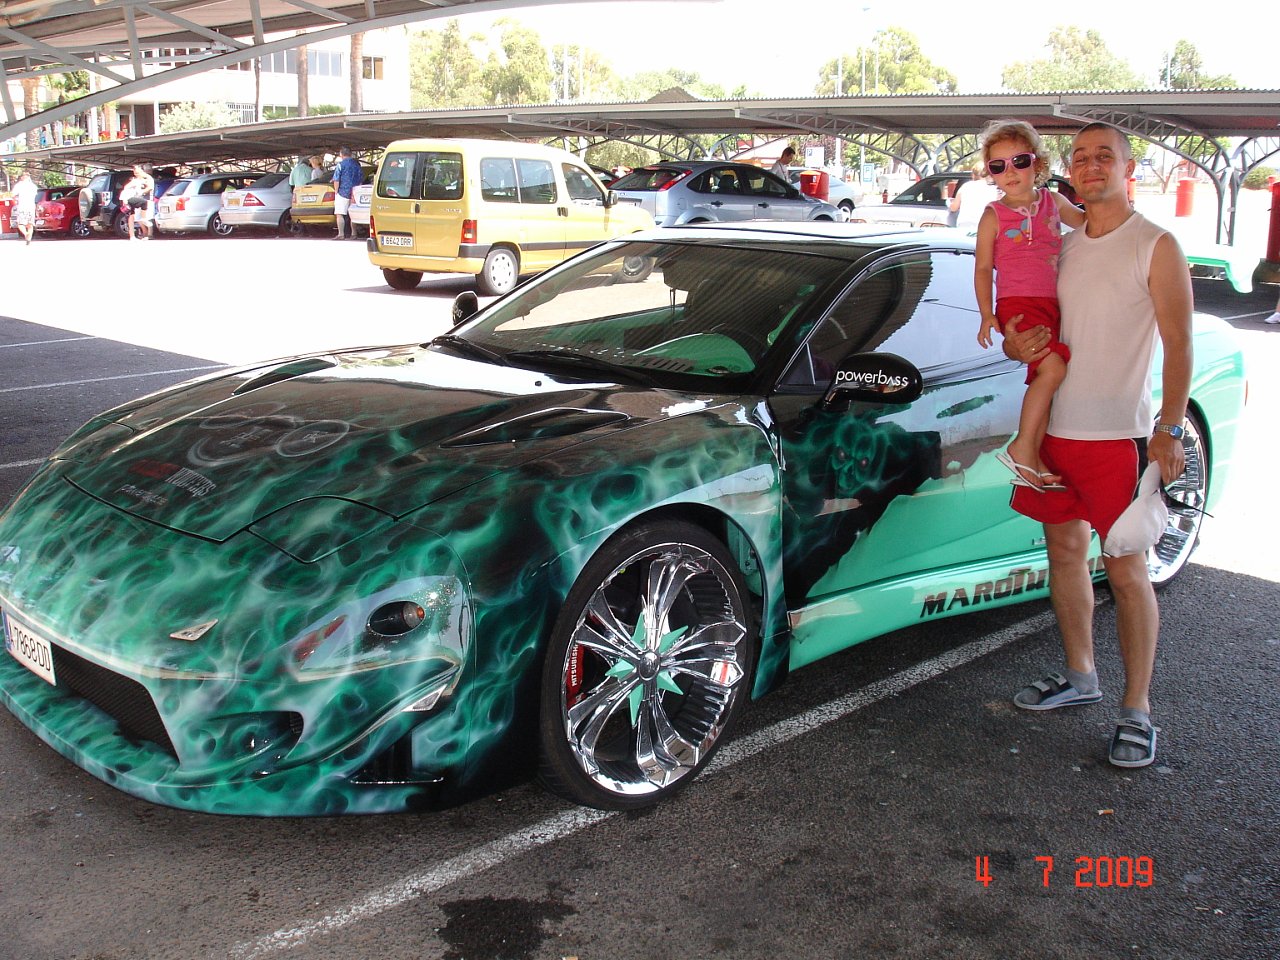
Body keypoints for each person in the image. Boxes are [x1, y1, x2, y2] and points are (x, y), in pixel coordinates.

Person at [1002, 121, 1193, 770]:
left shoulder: (1155, 244)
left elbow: (1179, 343)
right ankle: (1081, 675)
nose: (1090, 166)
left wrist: (1169, 428)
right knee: (1064, 553)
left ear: (1128, 168)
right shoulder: (1063, 245)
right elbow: (1035, 323)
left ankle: (1137, 710)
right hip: (1055, 434)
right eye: (1080, 157)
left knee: (1127, 570)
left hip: (1118, 440)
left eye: (1103, 156)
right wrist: (1016, 342)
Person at [975, 120, 1086, 489]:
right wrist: (987, 314)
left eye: (1019, 162)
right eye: (998, 166)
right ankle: (1022, 445)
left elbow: (1088, 223)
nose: (1010, 172)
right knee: (1053, 370)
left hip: (1050, 304)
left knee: (1045, 377)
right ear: (990, 172)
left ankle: (1033, 454)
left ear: (1037, 163)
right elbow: (982, 268)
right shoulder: (993, 215)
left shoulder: (1054, 202)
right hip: (1017, 305)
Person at [950, 160, 1000, 232]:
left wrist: (949, 203)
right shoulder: (995, 189)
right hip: (986, 226)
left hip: (964, 225)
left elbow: (953, 208)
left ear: (973, 174)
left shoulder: (966, 186)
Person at [331, 147, 362, 240]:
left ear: (341, 154)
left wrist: (336, 191)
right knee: (352, 214)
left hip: (342, 192)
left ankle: (341, 234)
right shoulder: (357, 165)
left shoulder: (340, 165)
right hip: (354, 192)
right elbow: (361, 178)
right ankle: (354, 233)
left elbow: (336, 179)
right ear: (351, 154)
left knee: (339, 214)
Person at [121, 163, 154, 240]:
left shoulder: (148, 178)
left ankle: (149, 235)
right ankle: (144, 233)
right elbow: (126, 187)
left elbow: (150, 187)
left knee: (147, 217)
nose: (136, 174)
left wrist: (141, 192)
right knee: (138, 218)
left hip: (147, 199)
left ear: (142, 171)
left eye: (137, 172)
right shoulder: (136, 180)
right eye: (135, 172)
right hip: (137, 200)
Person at [11, 171, 37, 245]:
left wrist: (16, 199)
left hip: (22, 207)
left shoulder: (19, 185)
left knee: (20, 224)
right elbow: (35, 195)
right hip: (31, 207)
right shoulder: (33, 186)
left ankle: (26, 234)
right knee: (30, 224)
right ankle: (29, 238)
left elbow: (13, 194)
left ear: (22, 177)